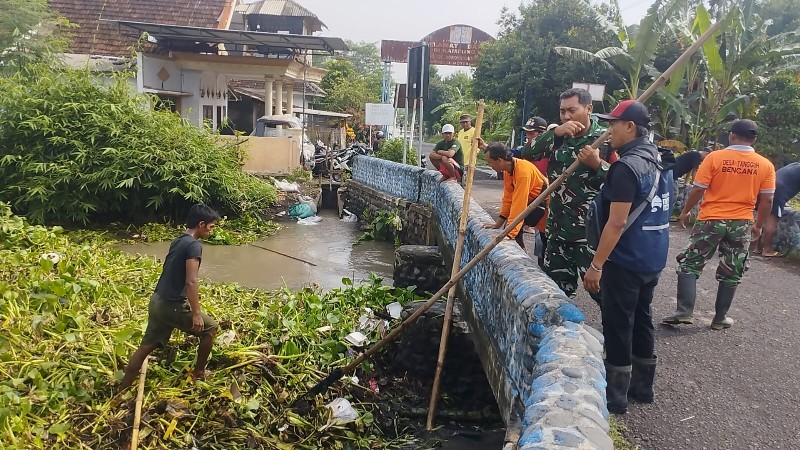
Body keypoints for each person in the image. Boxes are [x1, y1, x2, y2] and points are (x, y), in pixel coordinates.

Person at [582, 100, 674, 414]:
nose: (609, 131)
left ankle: (616, 397)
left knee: (619, 323)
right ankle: (643, 388)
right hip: (652, 257)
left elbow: (617, 221)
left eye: (614, 124)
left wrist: (596, 265)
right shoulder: (659, 159)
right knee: (643, 318)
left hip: (625, 259)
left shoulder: (626, 167)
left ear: (630, 126)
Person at [664, 119, 776, 329]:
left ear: (731, 135)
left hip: (711, 220)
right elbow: (767, 199)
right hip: (742, 222)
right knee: (732, 270)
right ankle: (719, 318)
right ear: (755, 140)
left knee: (690, 263)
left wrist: (686, 211)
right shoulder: (765, 165)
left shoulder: (715, 157)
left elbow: (698, 189)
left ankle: (684, 312)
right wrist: (758, 225)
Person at [527, 88, 615, 304]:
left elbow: (621, 182)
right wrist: (555, 133)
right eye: (562, 111)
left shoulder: (605, 140)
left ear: (588, 109)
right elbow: (528, 153)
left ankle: (616, 338)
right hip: (557, 232)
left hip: (590, 236)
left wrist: (597, 164)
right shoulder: (557, 138)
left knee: (605, 296)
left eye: (572, 110)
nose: (566, 116)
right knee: (555, 295)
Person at [120, 204, 221, 389]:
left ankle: (122, 388)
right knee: (211, 329)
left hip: (157, 301)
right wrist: (196, 313)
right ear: (201, 224)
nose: (211, 231)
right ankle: (199, 372)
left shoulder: (179, 240)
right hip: (171, 305)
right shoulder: (194, 246)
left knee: (145, 348)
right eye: (211, 226)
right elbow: (191, 281)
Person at [481, 143, 549, 263]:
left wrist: (509, 233)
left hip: (546, 212)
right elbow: (508, 198)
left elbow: (519, 204)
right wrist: (498, 224)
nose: (489, 165)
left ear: (500, 160)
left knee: (545, 249)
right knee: (540, 248)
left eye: (490, 162)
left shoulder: (522, 171)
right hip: (533, 208)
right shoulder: (508, 171)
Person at [757, 161, 800, 257]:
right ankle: (767, 250)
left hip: (767, 188)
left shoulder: (794, 165)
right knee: (771, 221)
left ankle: (757, 247)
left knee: (762, 219)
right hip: (778, 193)